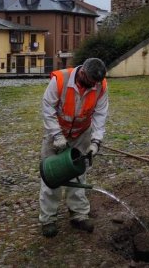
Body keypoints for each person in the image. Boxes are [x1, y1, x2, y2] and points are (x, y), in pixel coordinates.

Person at [39, 58, 108, 237]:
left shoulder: (100, 86)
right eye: (91, 81)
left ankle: (78, 214)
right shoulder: (60, 80)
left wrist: (95, 142)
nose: (93, 85)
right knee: (52, 173)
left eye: (96, 83)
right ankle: (48, 219)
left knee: (79, 172)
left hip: (81, 133)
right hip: (56, 132)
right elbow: (48, 108)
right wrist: (57, 136)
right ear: (83, 73)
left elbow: (100, 114)